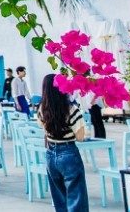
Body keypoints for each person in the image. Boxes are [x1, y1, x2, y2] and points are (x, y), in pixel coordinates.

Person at [38, 74, 88, 212]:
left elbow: (44, 129)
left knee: (59, 199)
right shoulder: (71, 109)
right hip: (68, 152)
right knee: (76, 197)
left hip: (50, 153)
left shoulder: (42, 109)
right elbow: (80, 137)